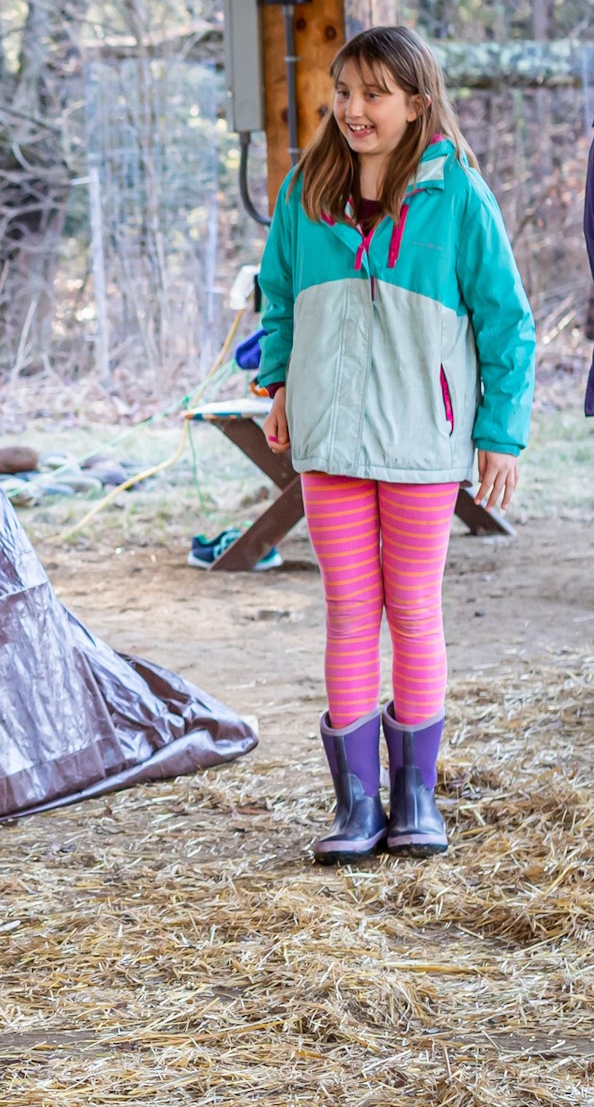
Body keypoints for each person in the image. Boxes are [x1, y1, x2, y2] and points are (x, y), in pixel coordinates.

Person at [257, 26, 534, 866]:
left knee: (412, 609)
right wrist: (279, 382)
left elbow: (507, 323)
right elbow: (279, 295)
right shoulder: (307, 188)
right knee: (349, 611)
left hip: (423, 439)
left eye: (373, 94)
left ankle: (416, 797)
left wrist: (500, 434)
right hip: (331, 441)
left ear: (416, 103)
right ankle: (356, 805)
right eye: (343, 92)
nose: (353, 109)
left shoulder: (459, 196)